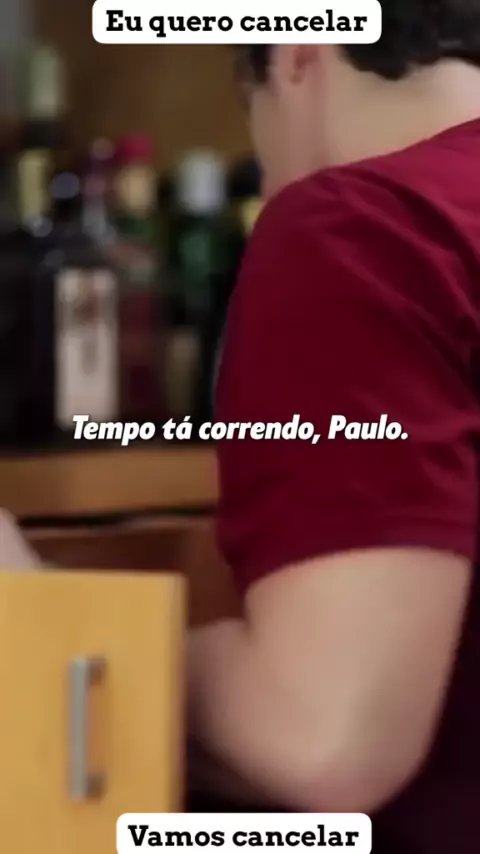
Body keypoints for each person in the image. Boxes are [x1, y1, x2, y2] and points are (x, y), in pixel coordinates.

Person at [2, 4, 480, 851]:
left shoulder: (367, 227)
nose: (268, 177)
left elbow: (322, 740)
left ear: (297, 50)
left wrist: (47, 621)